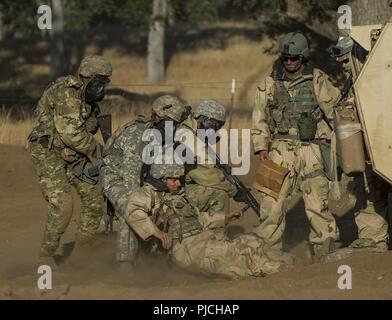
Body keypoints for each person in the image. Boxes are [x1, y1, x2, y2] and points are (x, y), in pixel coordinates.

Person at [251, 32, 341, 256]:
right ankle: (267, 251)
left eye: (294, 58)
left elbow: (336, 113)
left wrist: (341, 145)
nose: (289, 62)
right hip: (278, 150)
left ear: (303, 57)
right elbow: (259, 115)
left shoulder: (318, 79)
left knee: (317, 202)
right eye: (285, 58)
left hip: (312, 150)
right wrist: (261, 146)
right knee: (270, 202)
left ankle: (325, 246)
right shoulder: (270, 81)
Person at [123, 163, 290, 279]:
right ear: (161, 178)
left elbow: (198, 219)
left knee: (251, 242)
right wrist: (156, 232)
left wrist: (225, 217)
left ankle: (279, 262)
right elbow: (133, 210)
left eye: (178, 179)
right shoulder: (147, 193)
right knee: (236, 254)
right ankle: (277, 271)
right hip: (186, 248)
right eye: (173, 179)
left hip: (202, 238)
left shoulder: (175, 196)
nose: (178, 183)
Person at [28, 55, 112, 266]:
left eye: (104, 83)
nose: (101, 88)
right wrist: (99, 150)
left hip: (73, 155)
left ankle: (82, 252)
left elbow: (87, 127)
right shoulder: (67, 92)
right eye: (99, 82)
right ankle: (45, 258)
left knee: (94, 200)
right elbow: (71, 134)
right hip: (48, 152)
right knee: (63, 204)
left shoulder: (87, 98)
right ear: (86, 77)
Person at [100, 95, 189, 267]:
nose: (172, 128)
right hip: (116, 177)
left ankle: (158, 255)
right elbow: (133, 182)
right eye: (167, 123)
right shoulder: (137, 136)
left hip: (142, 179)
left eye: (175, 124)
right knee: (130, 206)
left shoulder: (167, 139)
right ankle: (125, 263)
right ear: (155, 118)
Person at [178, 100, 237, 220]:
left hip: (178, 186)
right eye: (213, 124)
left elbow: (208, 162)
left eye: (219, 127)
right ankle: (215, 236)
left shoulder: (195, 133)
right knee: (219, 194)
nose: (215, 130)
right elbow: (208, 175)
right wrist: (233, 190)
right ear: (201, 118)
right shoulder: (186, 135)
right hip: (170, 191)